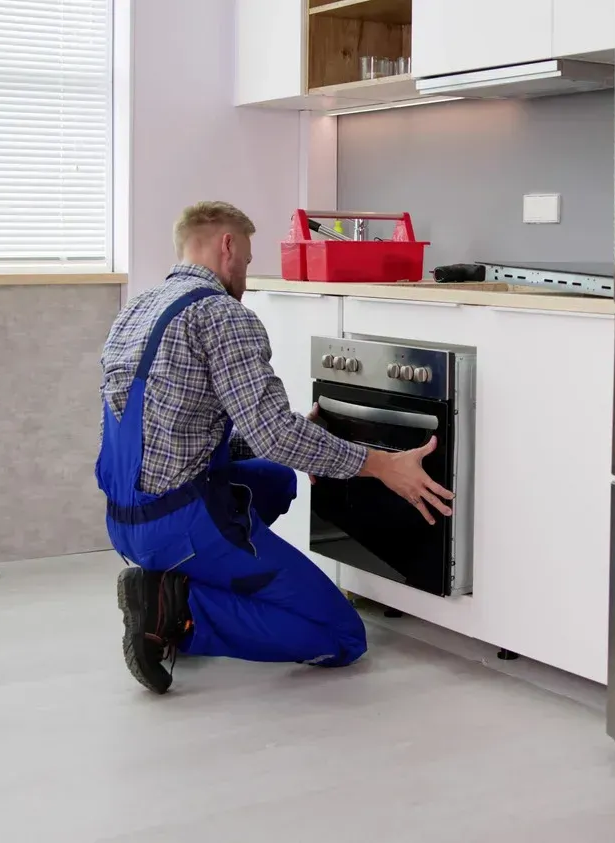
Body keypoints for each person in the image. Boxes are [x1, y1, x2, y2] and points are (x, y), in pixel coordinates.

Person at [97, 201, 453, 694]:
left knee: (278, 478)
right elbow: (274, 435)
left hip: (126, 519)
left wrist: (306, 446)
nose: (245, 272)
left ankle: (195, 578)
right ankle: (179, 609)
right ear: (227, 246)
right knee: (341, 634)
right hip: (180, 522)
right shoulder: (222, 313)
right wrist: (379, 465)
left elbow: (178, 426)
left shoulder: (138, 308)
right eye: (245, 256)